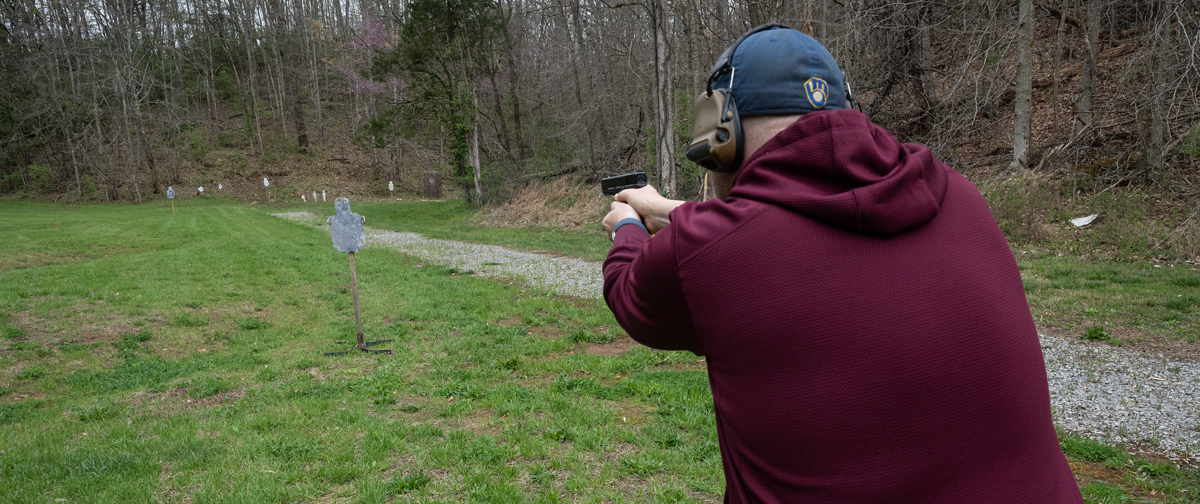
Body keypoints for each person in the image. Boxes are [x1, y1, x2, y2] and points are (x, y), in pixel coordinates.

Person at [600, 24, 1083, 503]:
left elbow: (630, 291)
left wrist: (628, 224)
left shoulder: (705, 252)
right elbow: (786, 225)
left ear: (719, 128)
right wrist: (672, 209)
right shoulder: (959, 195)